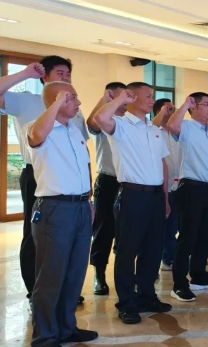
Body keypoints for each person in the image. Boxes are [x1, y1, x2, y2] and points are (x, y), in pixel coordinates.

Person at [0, 56, 89, 305]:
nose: (66, 77)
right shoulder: (27, 100)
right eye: (60, 73)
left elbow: (82, 151)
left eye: (68, 74)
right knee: (35, 235)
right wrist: (24, 74)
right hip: (38, 174)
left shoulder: (74, 110)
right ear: (44, 77)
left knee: (69, 240)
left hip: (72, 181)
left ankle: (65, 291)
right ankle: (37, 291)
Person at [94, 82, 173, 324]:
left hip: (155, 196)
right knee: (127, 251)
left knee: (153, 249)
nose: (152, 100)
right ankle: (127, 303)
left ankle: (147, 296)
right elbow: (99, 118)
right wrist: (120, 99)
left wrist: (165, 197)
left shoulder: (154, 129)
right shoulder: (121, 125)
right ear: (132, 97)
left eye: (152, 96)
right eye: (147, 96)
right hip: (132, 195)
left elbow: (162, 164)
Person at [26, 81, 97, 346]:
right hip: (55, 209)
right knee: (51, 276)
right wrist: (57, 103)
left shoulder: (74, 130)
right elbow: (36, 135)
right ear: (57, 99)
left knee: (74, 273)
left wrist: (88, 201)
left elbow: (83, 168)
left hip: (80, 207)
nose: (78, 103)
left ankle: (67, 328)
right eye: (73, 97)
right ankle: (45, 336)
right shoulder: (37, 127)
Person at [167, 92, 208, 302]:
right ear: (194, 107)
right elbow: (171, 126)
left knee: (203, 236)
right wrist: (185, 105)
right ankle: (179, 284)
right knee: (187, 238)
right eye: (206, 104)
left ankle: (199, 276)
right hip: (191, 188)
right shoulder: (187, 127)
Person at [86, 82, 127, 296]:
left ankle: (126, 273)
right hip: (108, 181)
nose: (124, 101)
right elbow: (91, 124)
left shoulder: (131, 122)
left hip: (128, 183)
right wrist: (104, 100)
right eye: (118, 96)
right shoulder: (103, 119)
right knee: (104, 230)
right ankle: (99, 275)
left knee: (127, 230)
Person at [151, 99, 179, 272]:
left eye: (173, 109)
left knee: (175, 225)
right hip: (163, 186)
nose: (172, 112)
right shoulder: (154, 131)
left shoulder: (177, 132)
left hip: (179, 185)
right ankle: (166, 258)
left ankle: (173, 256)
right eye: (169, 109)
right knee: (165, 226)